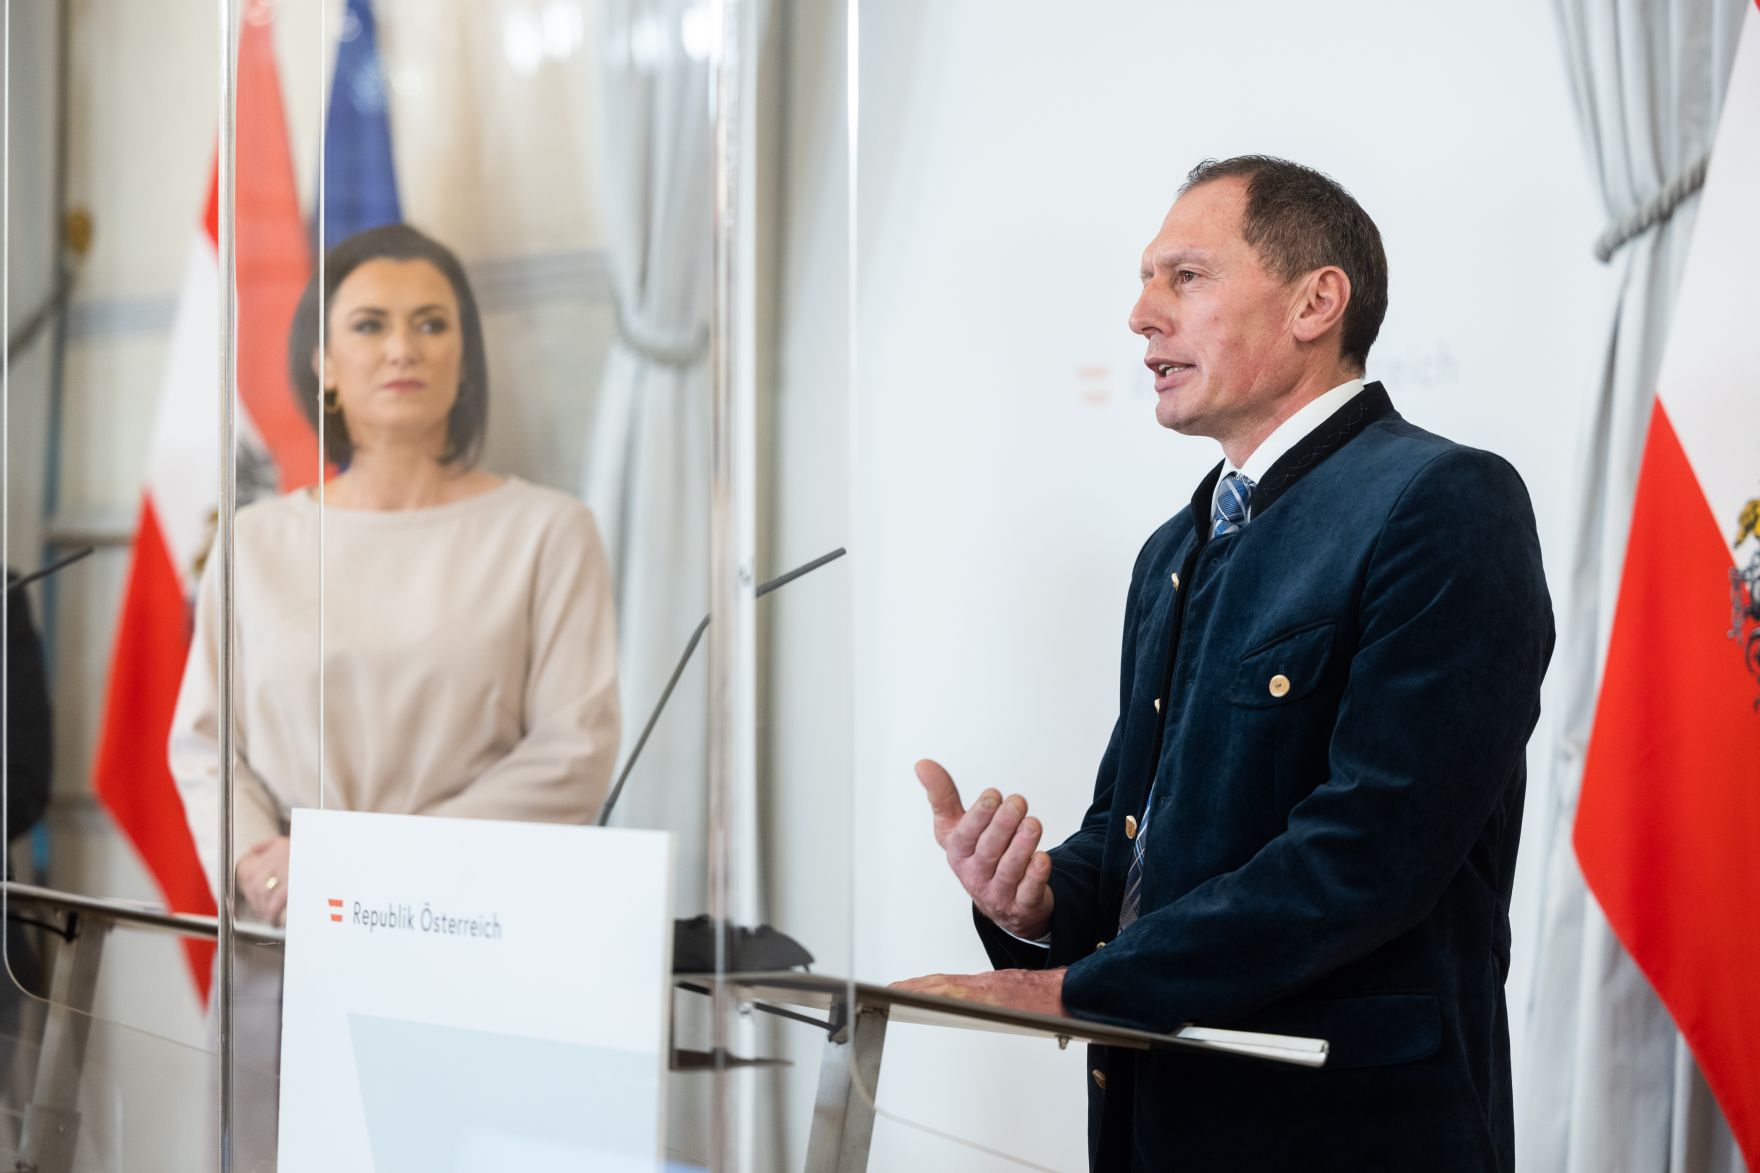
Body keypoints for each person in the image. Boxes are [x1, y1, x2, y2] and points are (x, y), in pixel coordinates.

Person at [899, 156, 1553, 1171]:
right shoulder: (1174, 547)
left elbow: (1368, 853)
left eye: (1184, 277)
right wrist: (1036, 909)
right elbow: (1134, 851)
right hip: (1157, 1127)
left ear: (1313, 301)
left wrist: (1081, 988)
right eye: (1144, 280)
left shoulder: (1441, 503)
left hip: (1347, 1136)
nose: (1139, 316)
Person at [171, 223, 621, 927]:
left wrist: (358, 862)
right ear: (322, 362)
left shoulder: (550, 531)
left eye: (431, 324)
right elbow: (207, 747)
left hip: (469, 919)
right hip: (289, 920)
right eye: (370, 324)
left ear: (465, 359)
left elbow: (573, 755)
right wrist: (262, 866)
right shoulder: (255, 539)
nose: (402, 348)